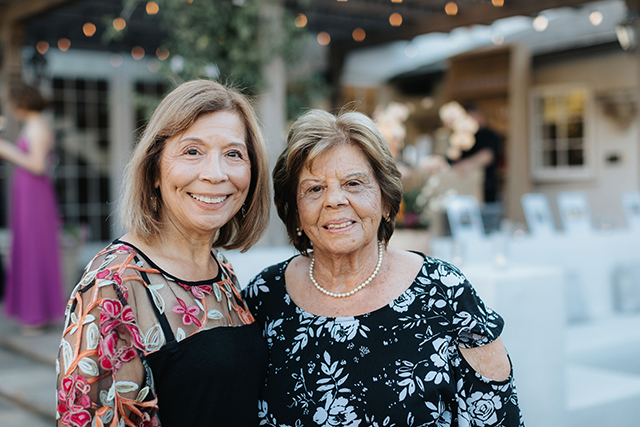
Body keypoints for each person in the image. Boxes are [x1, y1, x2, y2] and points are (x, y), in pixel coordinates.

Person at [243, 109, 524, 426]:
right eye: (314, 189)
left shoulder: (444, 292)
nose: (334, 200)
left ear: (386, 200)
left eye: (353, 183)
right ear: (295, 210)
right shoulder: (264, 296)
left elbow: (499, 418)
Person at [56, 80, 271, 427]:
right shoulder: (113, 285)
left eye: (233, 154)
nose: (215, 174)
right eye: (192, 151)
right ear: (154, 169)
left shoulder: (220, 269)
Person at [0, 82, 65, 334]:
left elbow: (37, 165)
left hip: (35, 197)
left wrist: (7, 151)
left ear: (22, 103)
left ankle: (37, 316)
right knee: (29, 248)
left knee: (34, 248)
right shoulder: (33, 125)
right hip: (29, 195)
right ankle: (35, 313)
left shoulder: (37, 126)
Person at [451, 104, 501, 203]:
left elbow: (487, 156)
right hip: (463, 190)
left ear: (479, 116)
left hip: (485, 190)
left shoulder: (489, 135)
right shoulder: (460, 138)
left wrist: (467, 163)